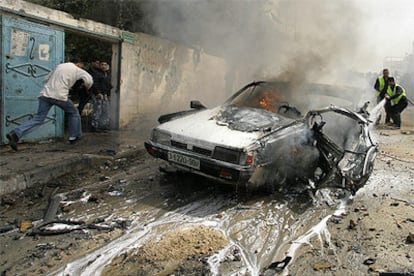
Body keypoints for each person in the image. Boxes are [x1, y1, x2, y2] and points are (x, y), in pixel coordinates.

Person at [6, 57, 93, 151]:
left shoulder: (59, 66)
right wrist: (86, 87)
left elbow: (46, 78)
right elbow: (89, 80)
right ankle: (74, 137)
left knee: (39, 118)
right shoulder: (77, 70)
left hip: (45, 95)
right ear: (79, 64)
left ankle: (16, 133)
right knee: (74, 112)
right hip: (60, 96)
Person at [90, 61, 111, 131]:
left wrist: (108, 94)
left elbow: (107, 85)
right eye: (102, 64)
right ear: (99, 65)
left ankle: (103, 125)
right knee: (97, 110)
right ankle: (94, 126)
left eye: (105, 64)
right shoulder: (96, 73)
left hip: (104, 94)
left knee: (105, 110)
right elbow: (94, 84)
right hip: (98, 94)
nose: (104, 66)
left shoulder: (107, 74)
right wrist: (97, 93)